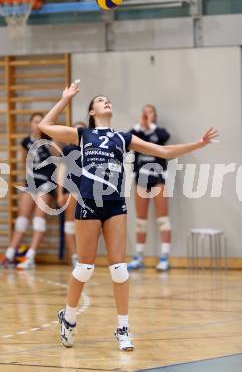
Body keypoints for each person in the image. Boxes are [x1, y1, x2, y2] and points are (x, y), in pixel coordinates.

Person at [38, 82, 218, 351]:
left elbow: (165, 152)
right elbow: (45, 126)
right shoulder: (83, 133)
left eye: (108, 99)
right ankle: (69, 317)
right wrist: (64, 99)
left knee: (119, 269)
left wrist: (199, 144)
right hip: (88, 202)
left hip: (115, 204)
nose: (106, 101)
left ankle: (123, 328)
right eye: (100, 100)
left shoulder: (123, 137)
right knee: (85, 268)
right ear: (92, 110)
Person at [0, 113, 56, 270]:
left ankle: (30, 257)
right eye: (35, 122)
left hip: (47, 182)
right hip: (31, 182)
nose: (37, 124)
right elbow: (23, 162)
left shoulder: (50, 141)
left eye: (40, 122)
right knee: (21, 220)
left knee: (38, 220)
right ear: (30, 124)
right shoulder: (25, 142)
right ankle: (9, 255)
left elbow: (59, 160)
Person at [128, 104, 171, 271]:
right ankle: (139, 257)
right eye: (144, 111)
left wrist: (150, 125)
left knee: (163, 219)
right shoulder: (137, 133)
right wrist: (141, 126)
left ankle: (164, 257)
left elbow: (165, 137)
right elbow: (129, 138)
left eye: (150, 111)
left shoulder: (159, 132)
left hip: (158, 178)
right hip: (141, 180)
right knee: (140, 221)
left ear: (155, 115)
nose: (146, 114)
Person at [57, 121, 86, 268]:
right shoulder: (67, 149)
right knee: (70, 225)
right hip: (71, 190)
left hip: (88, 192)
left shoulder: (89, 149)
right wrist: (59, 193)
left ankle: (83, 255)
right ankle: (75, 257)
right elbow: (61, 171)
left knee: (88, 225)